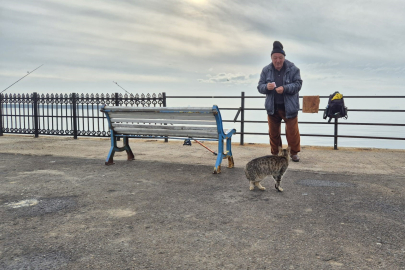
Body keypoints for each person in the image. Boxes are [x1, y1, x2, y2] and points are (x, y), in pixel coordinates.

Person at [257, 41, 303, 162]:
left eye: (280, 58)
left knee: (292, 132)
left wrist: (285, 88)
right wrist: (267, 87)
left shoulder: (293, 69)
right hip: (272, 107)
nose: (278, 60)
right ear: (271, 58)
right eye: (275, 58)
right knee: (273, 133)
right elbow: (259, 87)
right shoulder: (266, 70)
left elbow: (298, 85)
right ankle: (276, 153)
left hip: (289, 107)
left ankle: (294, 153)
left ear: (284, 57)